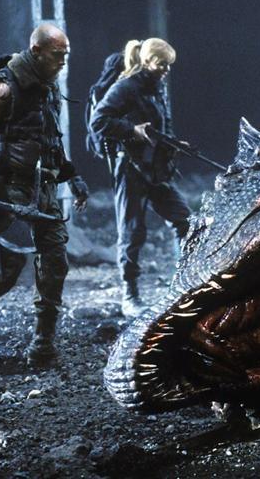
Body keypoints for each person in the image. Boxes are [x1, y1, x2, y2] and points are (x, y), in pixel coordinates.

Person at [0, 24, 89, 369]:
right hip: (9, 188)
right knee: (6, 271)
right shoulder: (4, 88)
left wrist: (72, 176)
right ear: (37, 51)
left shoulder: (48, 86)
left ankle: (43, 344)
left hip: (44, 189)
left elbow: (49, 138)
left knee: (54, 262)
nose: (62, 62)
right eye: (57, 55)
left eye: (65, 56)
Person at [89, 38, 191, 318]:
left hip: (156, 169)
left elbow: (163, 123)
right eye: (161, 64)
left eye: (169, 65)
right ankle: (129, 295)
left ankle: (184, 284)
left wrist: (172, 143)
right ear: (146, 62)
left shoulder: (158, 87)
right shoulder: (125, 87)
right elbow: (98, 121)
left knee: (183, 219)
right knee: (132, 232)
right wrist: (131, 131)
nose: (166, 70)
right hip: (130, 169)